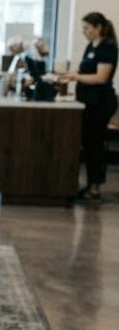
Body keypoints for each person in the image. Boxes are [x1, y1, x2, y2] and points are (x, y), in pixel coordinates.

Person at [58, 12, 119, 202]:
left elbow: (101, 77)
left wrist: (76, 77)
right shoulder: (91, 47)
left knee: (95, 144)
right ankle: (90, 185)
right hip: (87, 102)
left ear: (99, 27)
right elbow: (85, 70)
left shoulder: (108, 48)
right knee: (88, 143)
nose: (84, 32)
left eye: (87, 28)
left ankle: (95, 189)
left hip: (100, 103)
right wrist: (70, 74)